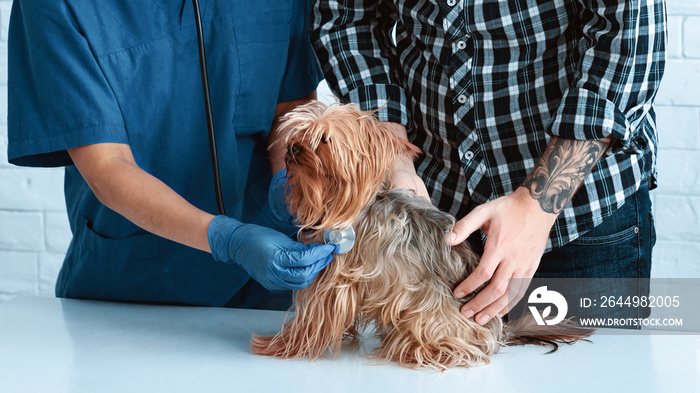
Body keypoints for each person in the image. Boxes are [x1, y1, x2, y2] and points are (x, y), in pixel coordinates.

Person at [312, 0, 665, 324]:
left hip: (580, 216)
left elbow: (629, 39)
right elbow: (346, 22)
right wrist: (393, 155)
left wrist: (535, 206)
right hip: (437, 216)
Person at [7, 0, 337, 309]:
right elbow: (107, 164)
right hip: (132, 292)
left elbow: (291, 105)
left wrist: (290, 181)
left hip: (270, 284)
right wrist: (229, 240)